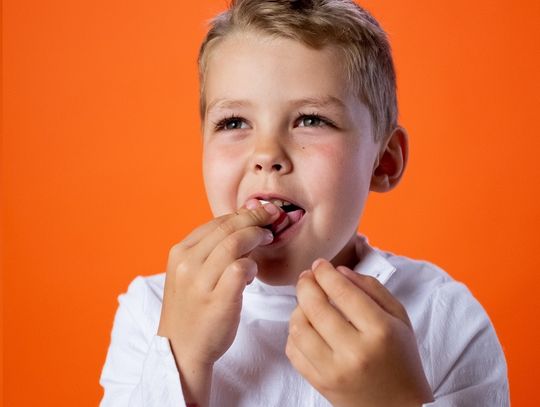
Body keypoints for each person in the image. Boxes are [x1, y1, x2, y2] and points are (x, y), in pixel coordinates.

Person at [99, 1, 509, 406]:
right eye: (233, 122)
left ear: (384, 160)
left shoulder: (444, 315)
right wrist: (181, 359)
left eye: (311, 119)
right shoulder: (153, 311)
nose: (266, 153)